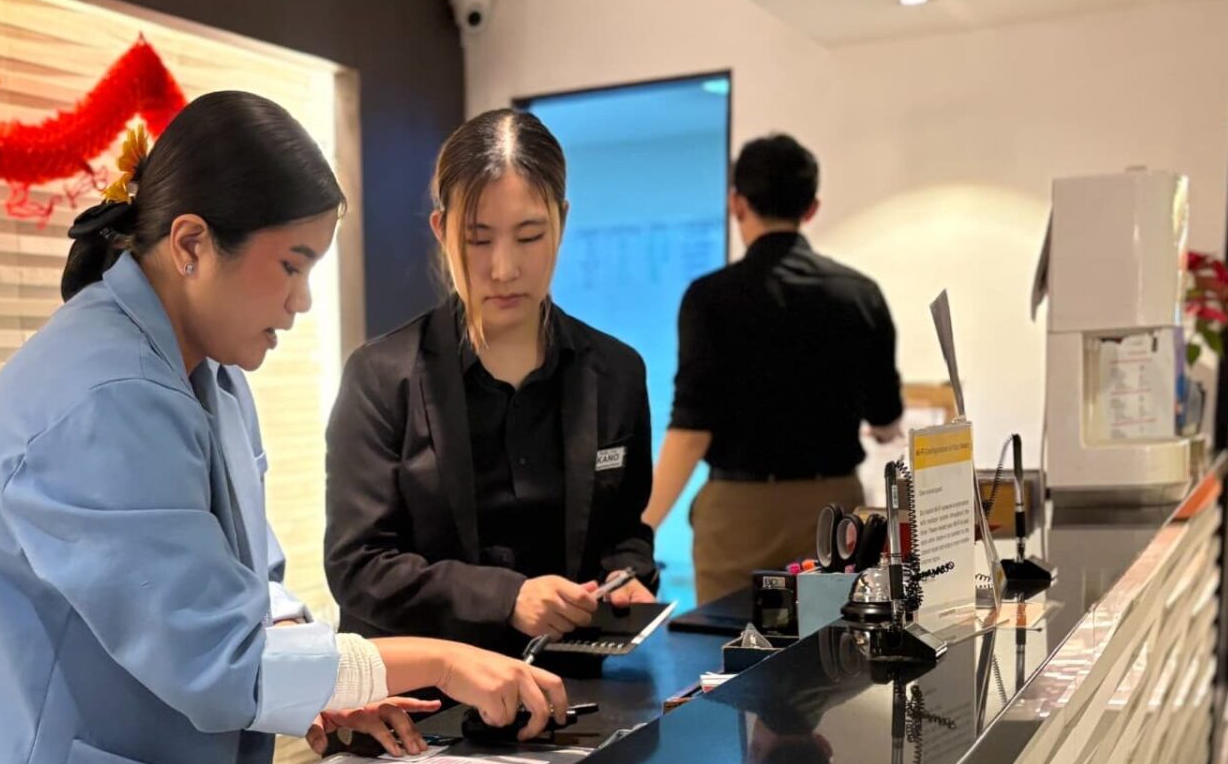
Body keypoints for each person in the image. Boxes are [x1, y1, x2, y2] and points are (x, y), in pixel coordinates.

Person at [0, 92, 569, 764]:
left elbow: (246, 587)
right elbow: (222, 659)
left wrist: (328, 677)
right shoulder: (104, 395)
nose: (302, 299)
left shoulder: (210, 374)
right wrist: (444, 662)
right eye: (292, 265)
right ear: (191, 244)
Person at [325, 108, 657, 660]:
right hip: (427, 693)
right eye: (477, 240)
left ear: (562, 222)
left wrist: (626, 578)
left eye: (530, 236)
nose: (504, 268)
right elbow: (358, 566)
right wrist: (506, 599)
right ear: (441, 231)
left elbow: (625, 531)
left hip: (570, 681)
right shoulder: (382, 376)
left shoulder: (617, 372)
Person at [643, 133, 904, 603]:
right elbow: (884, 414)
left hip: (737, 518)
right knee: (834, 640)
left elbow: (691, 431)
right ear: (811, 208)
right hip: (832, 514)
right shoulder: (860, 294)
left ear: (736, 203)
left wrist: (642, 528)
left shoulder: (709, 298)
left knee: (732, 641)